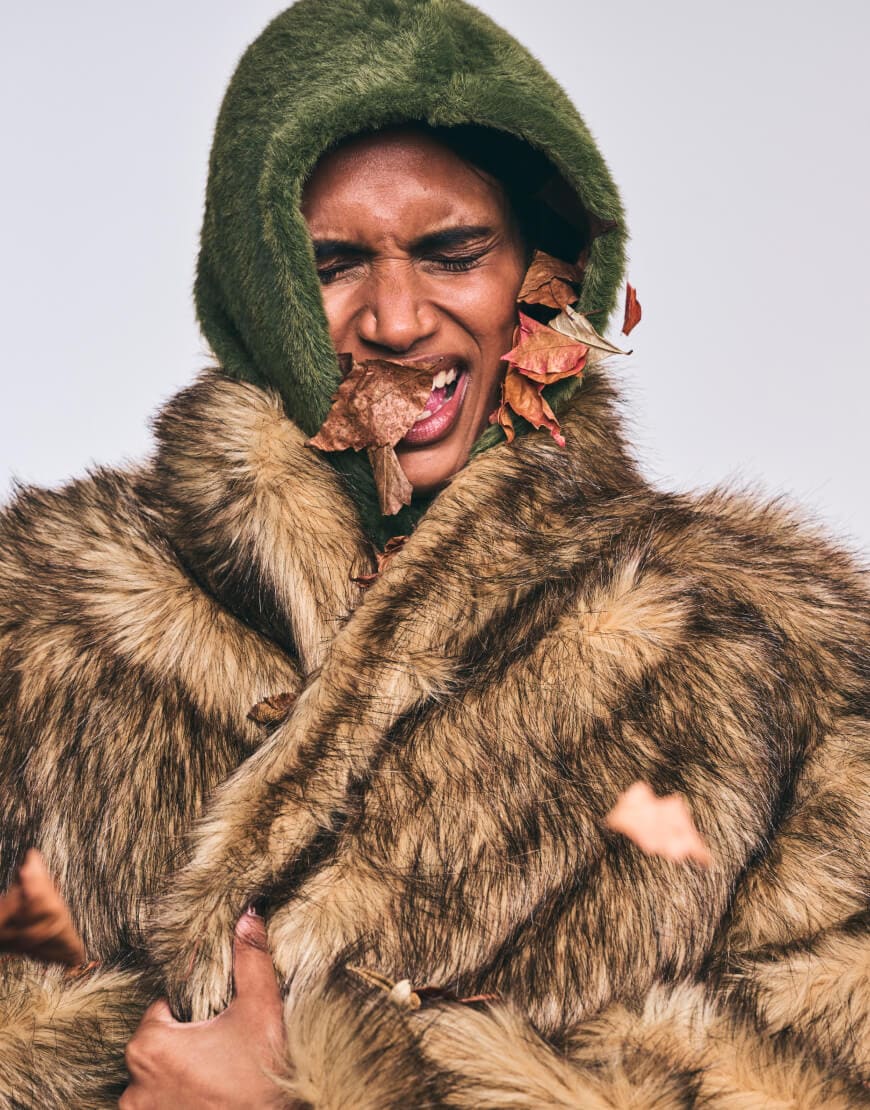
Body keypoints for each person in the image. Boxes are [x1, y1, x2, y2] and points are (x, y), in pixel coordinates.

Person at [0, 1, 867, 1106]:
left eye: (454, 253)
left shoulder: (753, 638)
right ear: (256, 292)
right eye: (332, 265)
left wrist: (317, 1090)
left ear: (542, 278)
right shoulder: (49, 617)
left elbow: (824, 1053)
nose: (398, 320)